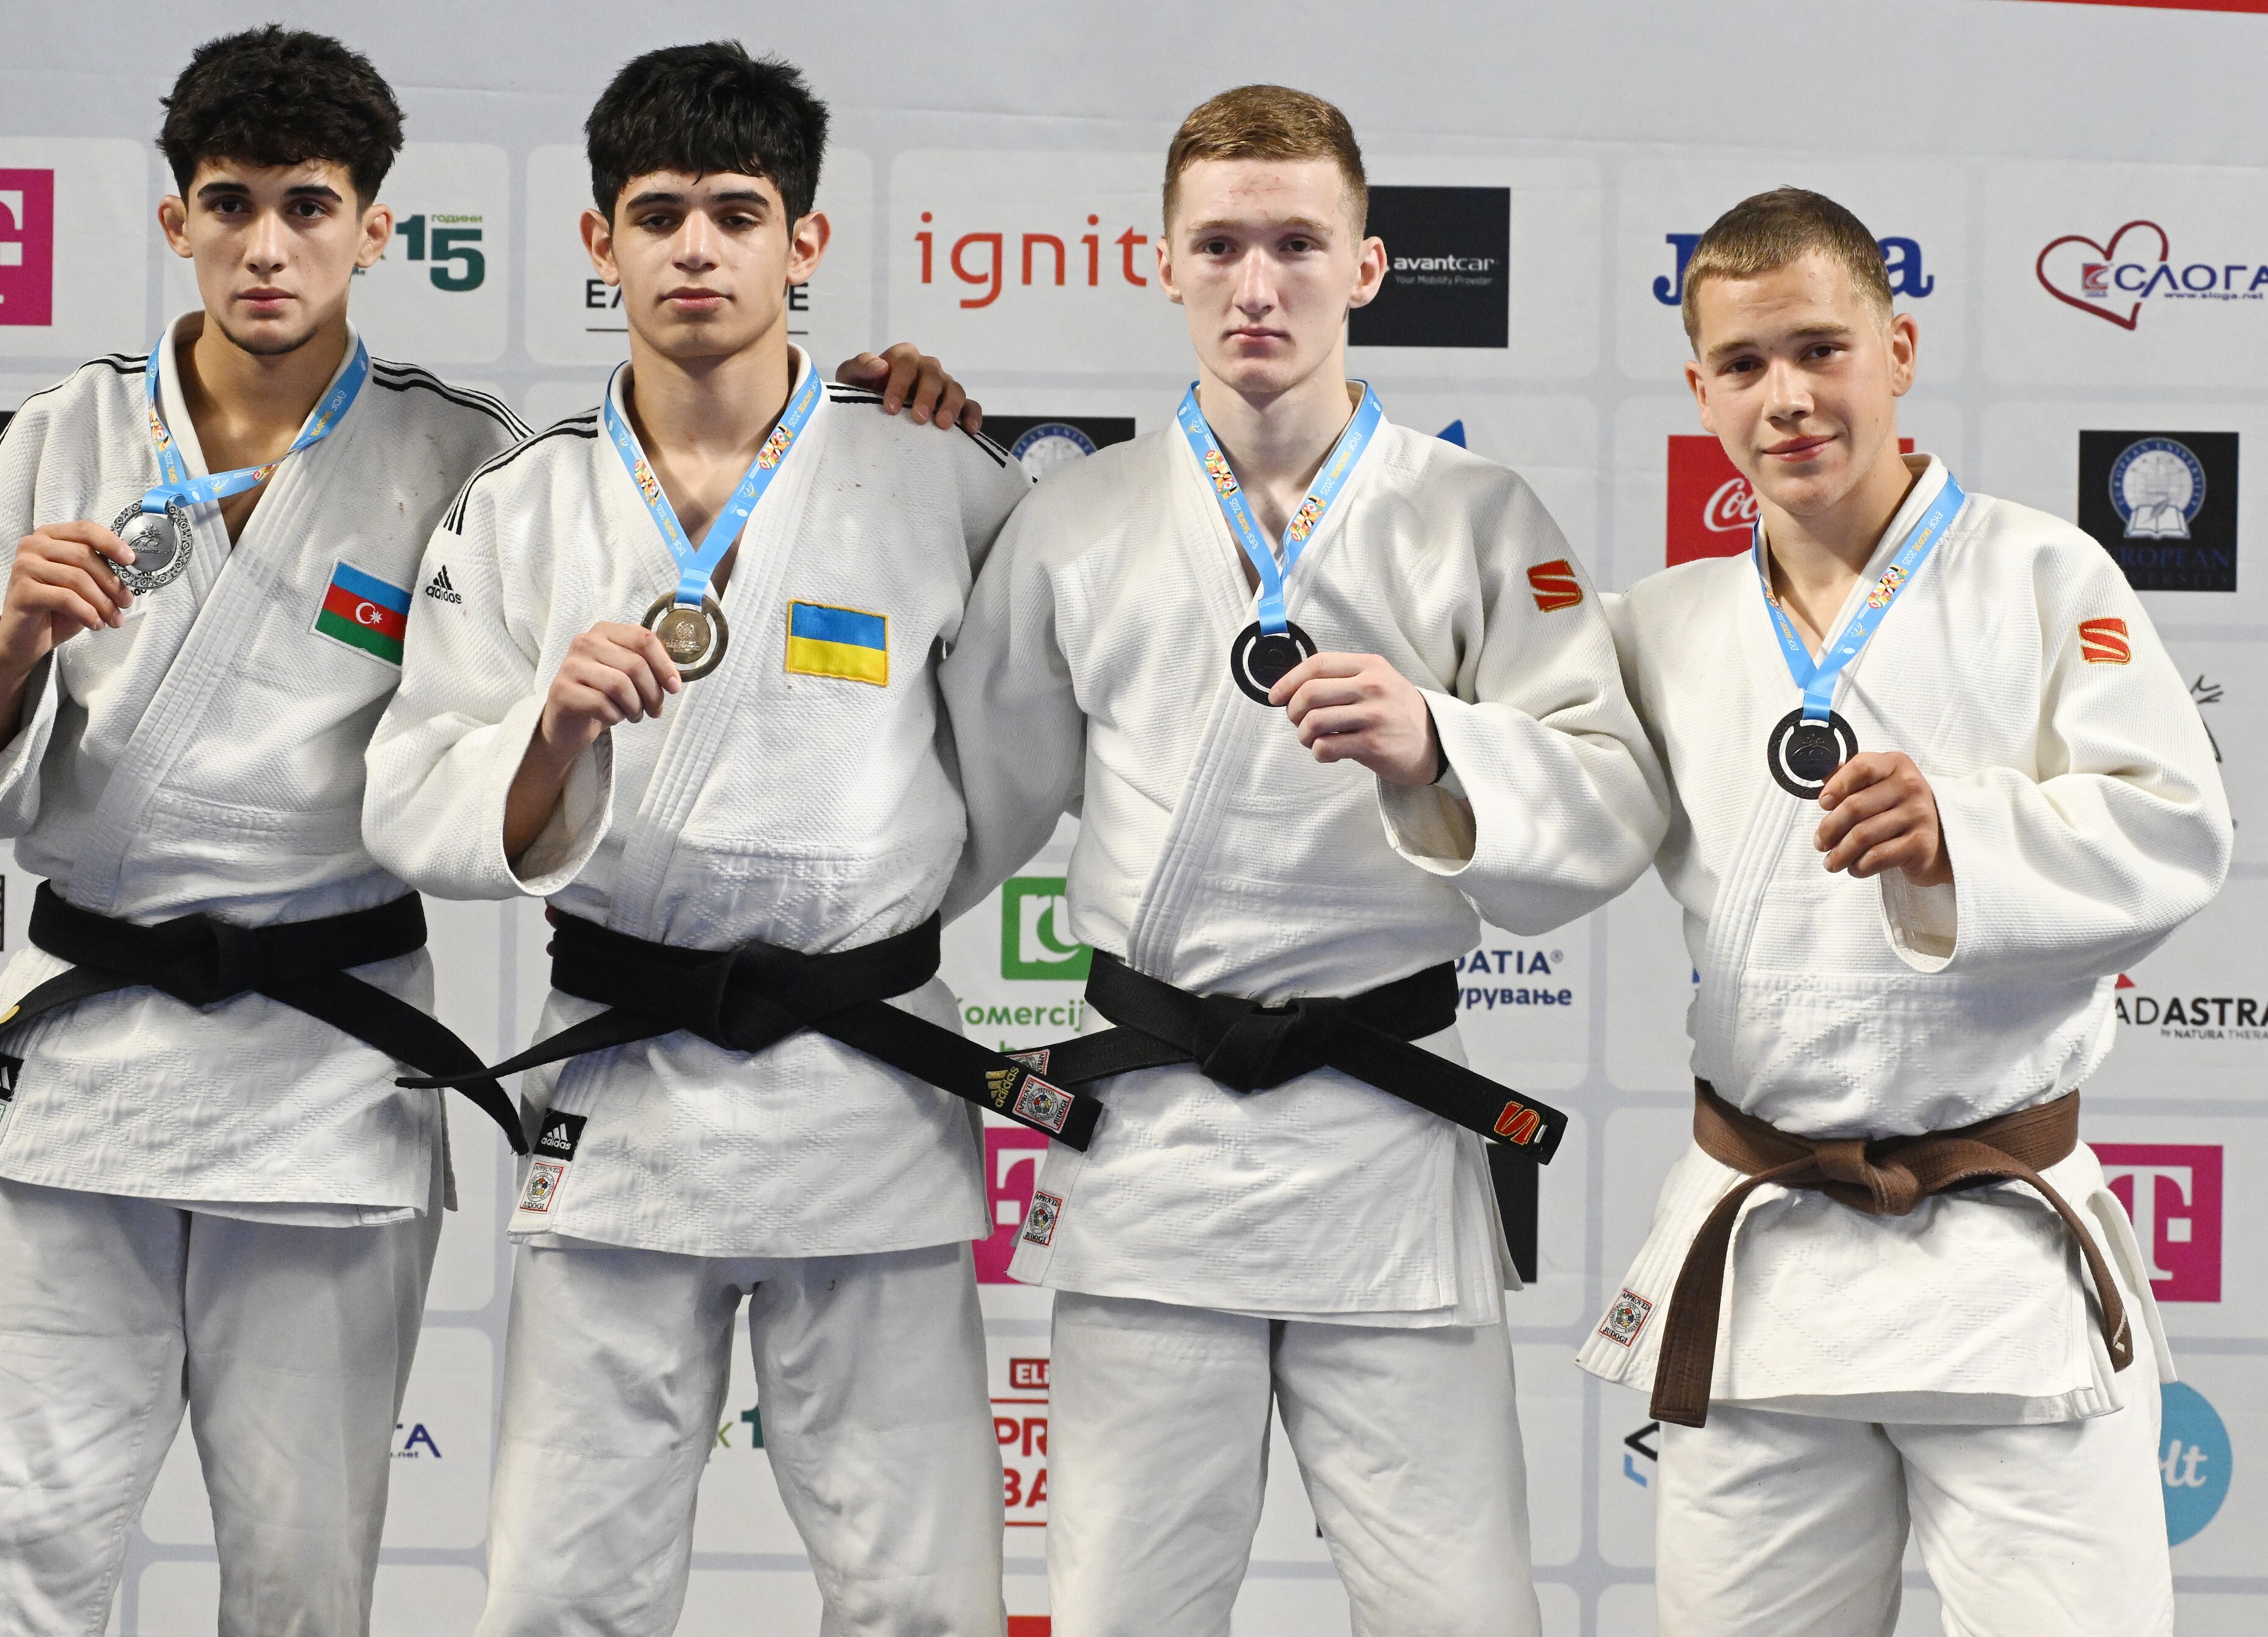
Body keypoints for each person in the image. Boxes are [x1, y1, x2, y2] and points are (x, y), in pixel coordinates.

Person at [0, 26, 973, 1636]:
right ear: (173, 218)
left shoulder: (465, 459)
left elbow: (734, 530)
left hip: (325, 1074)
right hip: (86, 1063)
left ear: (374, 229)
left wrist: (879, 409)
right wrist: (10, 645)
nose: (267, 246)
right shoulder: (63, 438)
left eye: (308, 206)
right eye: (229, 204)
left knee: (306, 1578)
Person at [940, 85, 1664, 1636]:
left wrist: (1437, 747)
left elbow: (1606, 802)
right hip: (1155, 1144)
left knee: (1462, 1616)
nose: (1254, 285)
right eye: (1218, 246)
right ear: (1161, 264)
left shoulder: (1474, 516)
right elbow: (959, 808)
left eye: (1295, 244)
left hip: (1380, 1142)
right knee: (1123, 1612)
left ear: (1367, 267)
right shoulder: (1075, 521)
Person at [362, 42, 1041, 1637]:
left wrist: (878, 900)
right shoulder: (521, 506)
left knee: (924, 1598)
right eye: (656, 214)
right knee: (558, 1594)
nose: (694, 249)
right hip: (625, 1089)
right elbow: (411, 792)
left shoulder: (938, 474)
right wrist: (550, 735)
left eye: (737, 213)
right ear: (596, 242)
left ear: (805, 240)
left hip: (865, 1091)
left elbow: (1026, 755)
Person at [1575, 187, 2229, 1637]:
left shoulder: (2044, 575)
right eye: (1742, 364)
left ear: (1898, 351)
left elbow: (2176, 830)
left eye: (1820, 348)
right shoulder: (1657, 626)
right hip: (1763, 1264)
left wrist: (1961, 836)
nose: (1786, 397)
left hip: (1999, 1263)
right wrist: (1425, 742)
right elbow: (1537, 794)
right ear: (1697, 390)